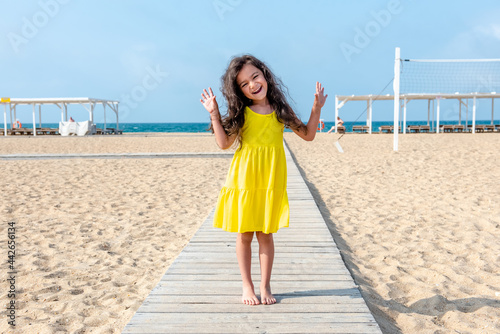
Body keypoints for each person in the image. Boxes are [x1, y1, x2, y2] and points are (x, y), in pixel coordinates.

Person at [200, 55, 327, 305]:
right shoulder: (243, 113)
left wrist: (316, 109)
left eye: (255, 76)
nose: (252, 85)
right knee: (245, 234)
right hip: (245, 182)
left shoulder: (281, 111)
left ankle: (265, 286)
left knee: (266, 234)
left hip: (270, 182)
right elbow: (224, 143)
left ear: (265, 74)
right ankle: (247, 287)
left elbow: (309, 135)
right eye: (244, 84)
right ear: (240, 91)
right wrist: (214, 115)